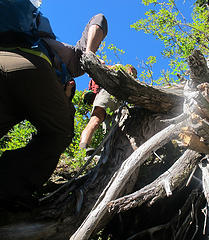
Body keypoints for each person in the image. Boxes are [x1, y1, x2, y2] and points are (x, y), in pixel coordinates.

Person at [0, 7, 108, 206]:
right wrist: (90, 54)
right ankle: (6, 190)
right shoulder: (73, 58)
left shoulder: (31, 35)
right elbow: (99, 19)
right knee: (60, 131)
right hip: (31, 67)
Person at [79, 65, 138, 152]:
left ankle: (106, 153)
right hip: (107, 94)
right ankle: (82, 148)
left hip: (118, 102)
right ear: (130, 69)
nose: (135, 76)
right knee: (95, 120)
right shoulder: (118, 68)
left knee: (110, 131)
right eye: (134, 73)